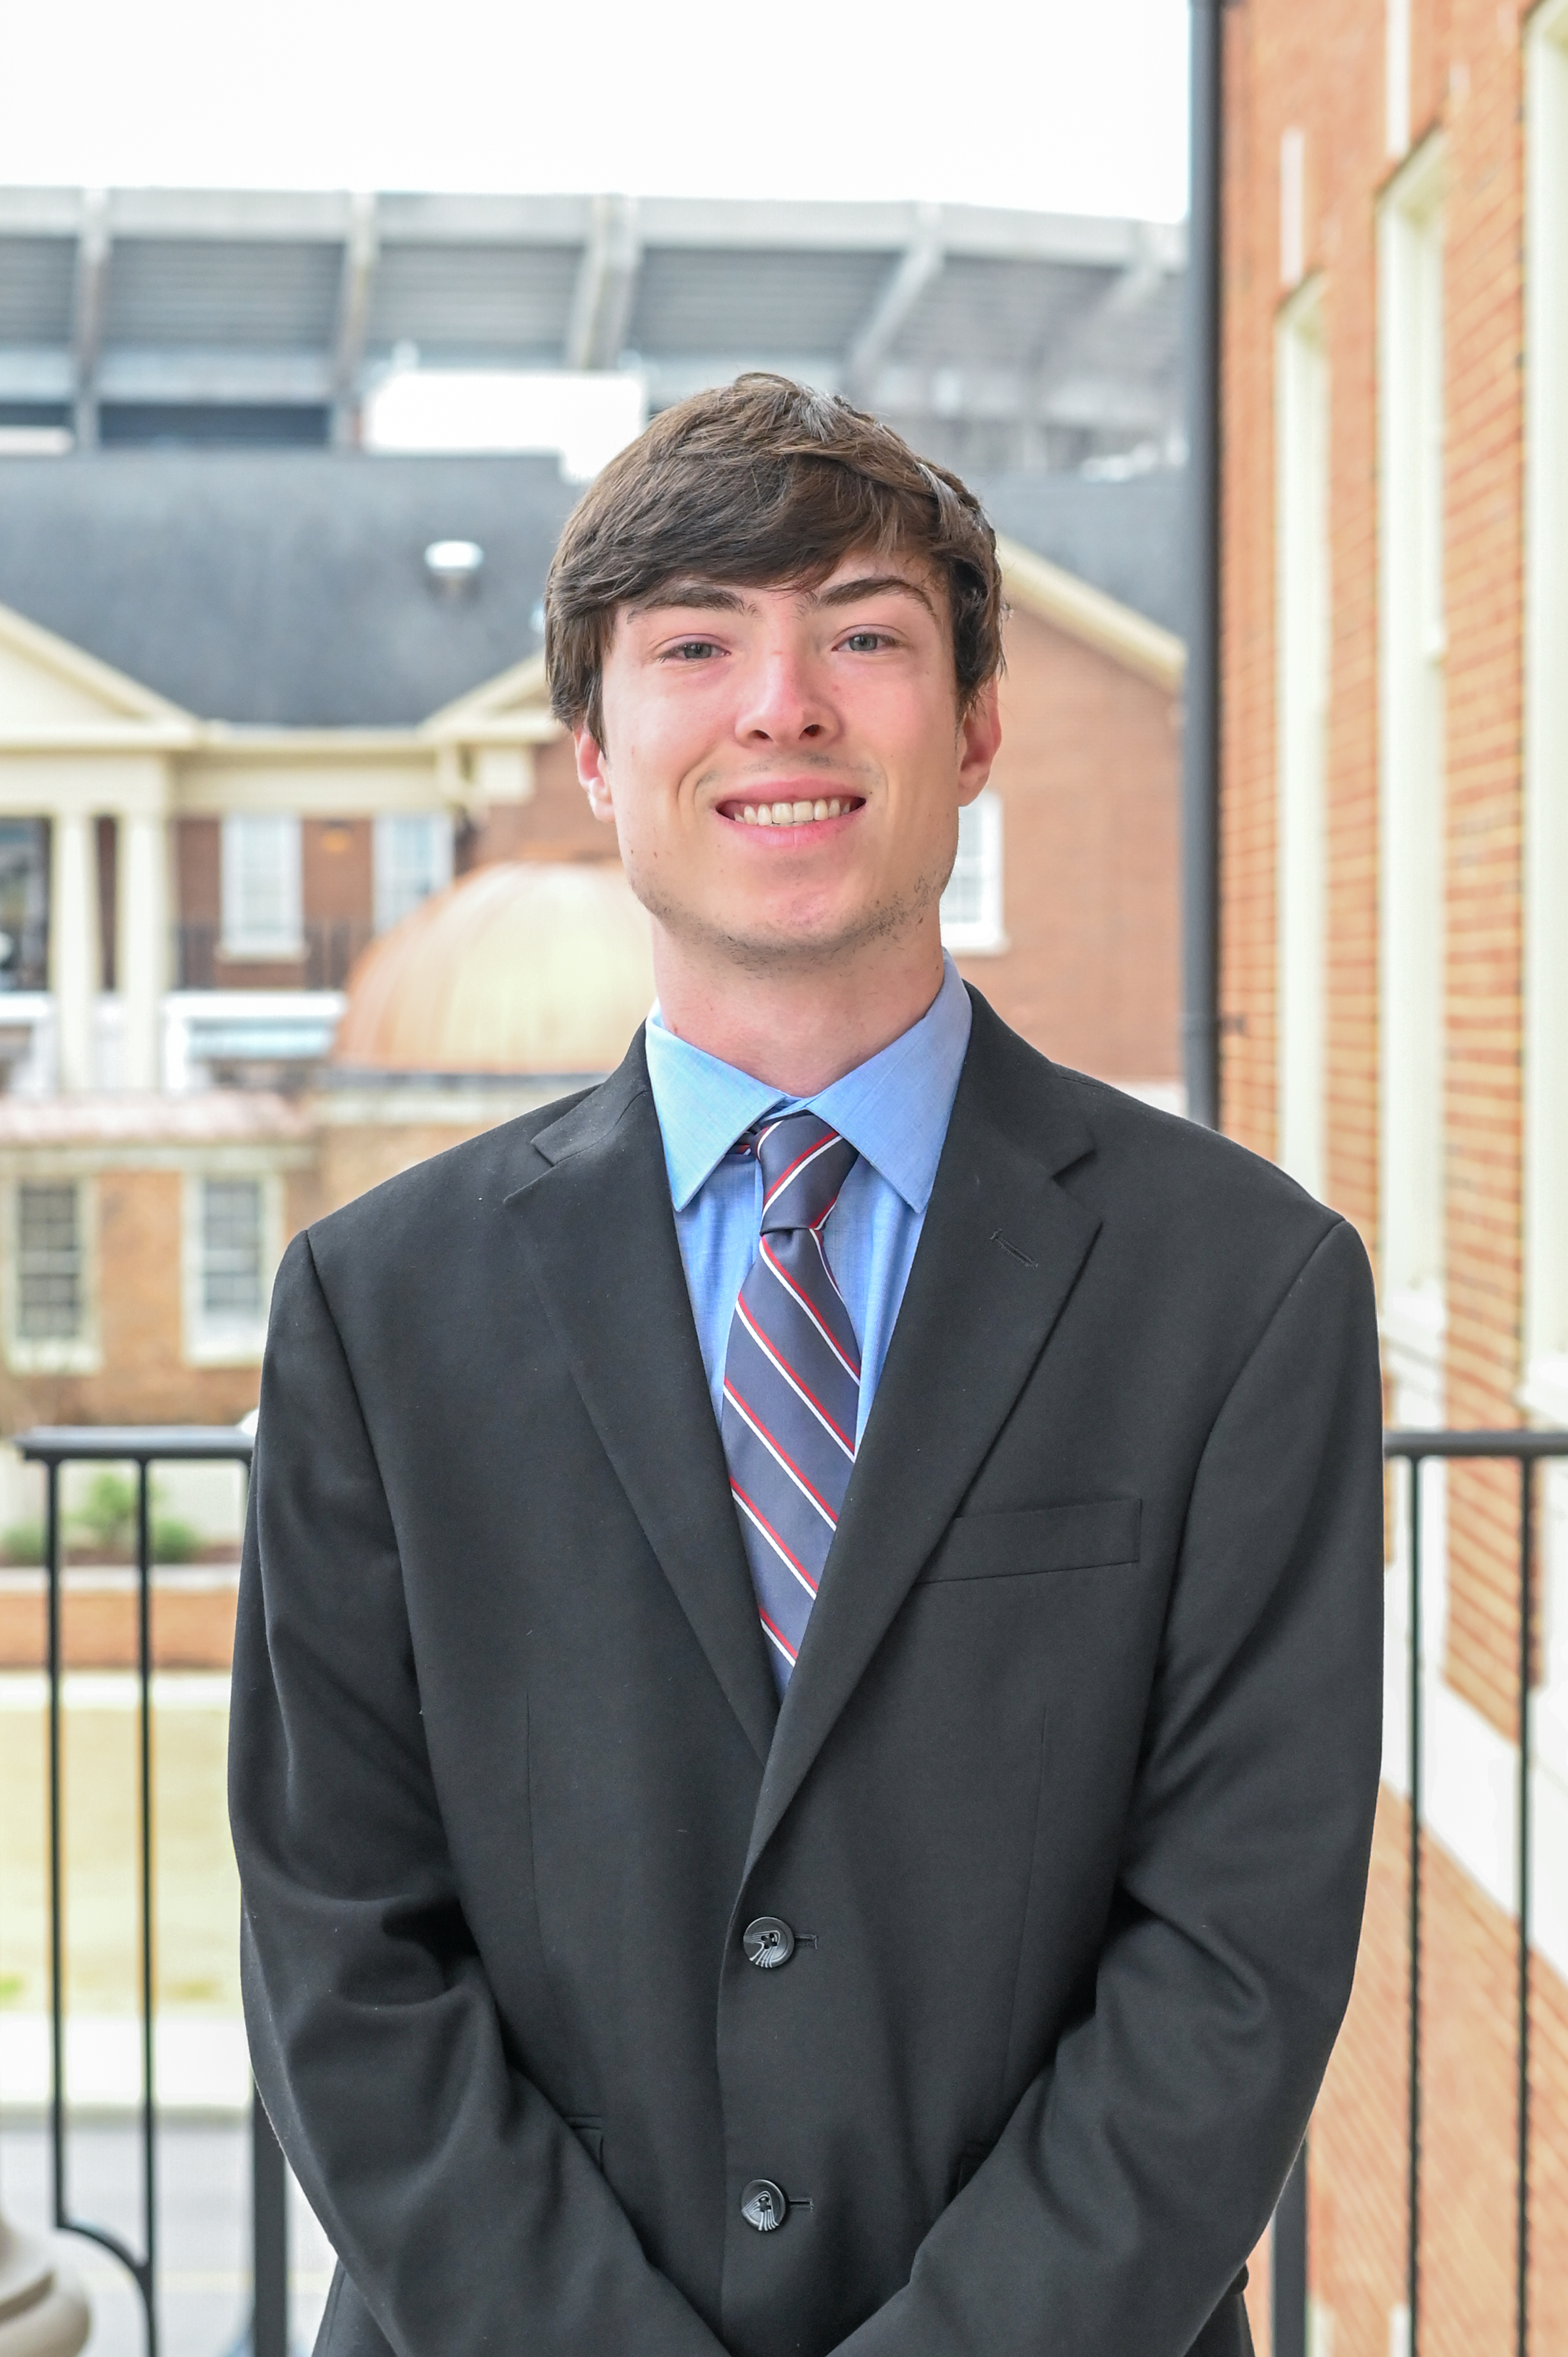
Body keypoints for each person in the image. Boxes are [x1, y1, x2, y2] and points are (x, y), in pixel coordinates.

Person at [229, 373, 1383, 2357]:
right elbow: (343, 1951)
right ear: (595, 753)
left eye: (863, 635)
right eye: (696, 645)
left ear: (978, 725)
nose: (782, 705)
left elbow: (1234, 1960)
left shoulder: (1246, 1294)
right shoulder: (374, 1310)